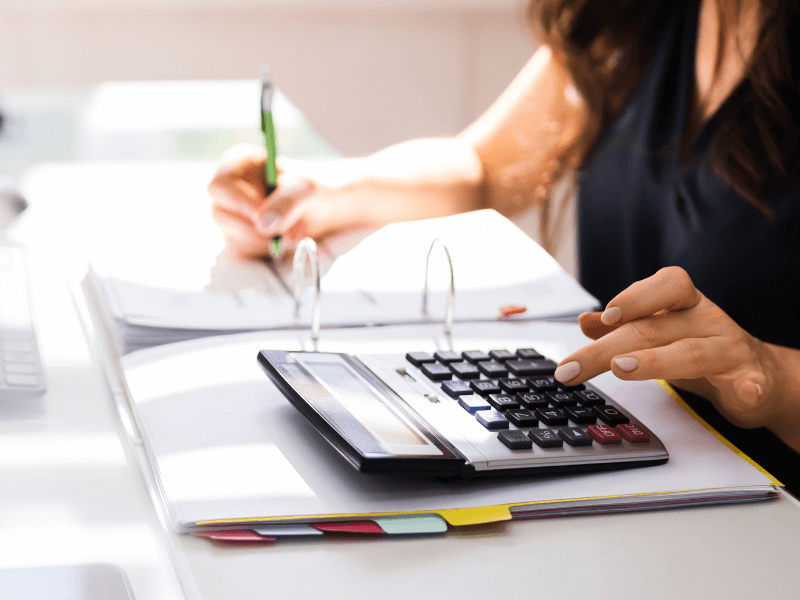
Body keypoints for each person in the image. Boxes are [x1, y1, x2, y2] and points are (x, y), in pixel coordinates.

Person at [209, 0, 800, 491]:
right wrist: (324, 193)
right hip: (611, 469)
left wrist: (772, 382)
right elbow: (490, 168)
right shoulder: (634, 16)